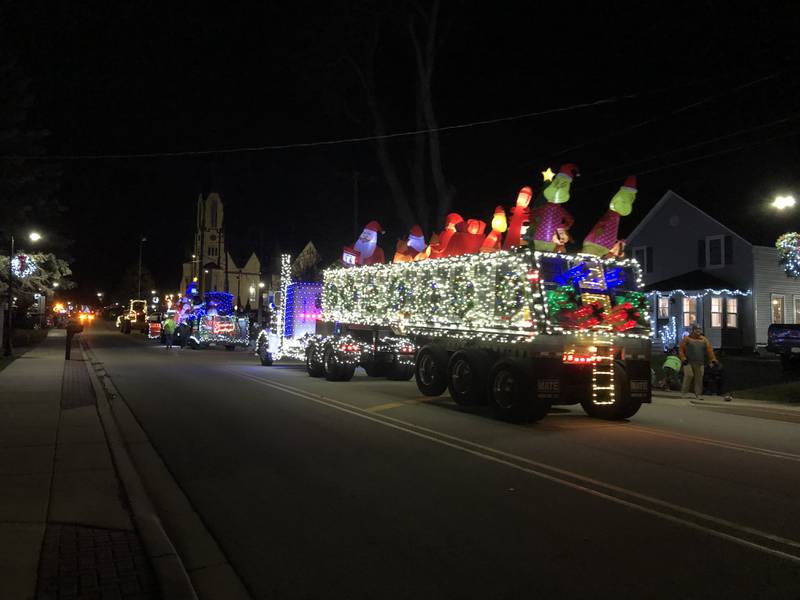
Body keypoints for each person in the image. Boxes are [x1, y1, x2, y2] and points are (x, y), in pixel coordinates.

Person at [679, 325, 718, 400]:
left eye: (699, 329)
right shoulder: (687, 339)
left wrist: (713, 359)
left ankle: (698, 394)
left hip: (700, 362)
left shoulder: (704, 340)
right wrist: (683, 358)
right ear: (693, 330)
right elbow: (681, 349)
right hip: (688, 362)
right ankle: (684, 393)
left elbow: (709, 350)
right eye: (696, 329)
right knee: (689, 375)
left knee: (699, 378)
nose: (698, 331)